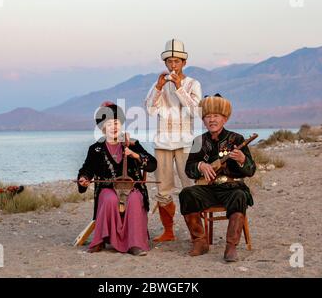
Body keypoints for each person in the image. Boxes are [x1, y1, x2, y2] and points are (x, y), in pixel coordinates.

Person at [179, 94, 256, 262]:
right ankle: (200, 242)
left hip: (230, 188)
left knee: (240, 196)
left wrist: (242, 159)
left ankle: (231, 246)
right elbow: (188, 169)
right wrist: (200, 166)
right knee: (187, 193)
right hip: (207, 189)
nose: (211, 120)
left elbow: (251, 170)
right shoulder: (199, 141)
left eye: (216, 116)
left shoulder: (236, 139)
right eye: (208, 116)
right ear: (203, 120)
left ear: (225, 119)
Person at [76, 102, 157, 256]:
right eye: (109, 124)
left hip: (132, 188)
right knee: (109, 199)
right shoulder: (96, 149)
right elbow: (87, 169)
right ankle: (100, 240)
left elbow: (152, 164)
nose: (114, 127)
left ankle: (135, 244)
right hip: (107, 188)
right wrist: (84, 178)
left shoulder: (131, 143)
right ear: (102, 127)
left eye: (117, 123)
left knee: (133, 199)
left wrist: (134, 155)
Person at [145, 39, 202, 242]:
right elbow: (150, 110)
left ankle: (196, 233)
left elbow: (195, 111)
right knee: (163, 188)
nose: (173, 65)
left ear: (184, 63)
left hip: (186, 143)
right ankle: (168, 232)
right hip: (162, 143)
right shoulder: (157, 84)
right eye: (169, 61)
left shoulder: (193, 84)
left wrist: (179, 87)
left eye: (176, 61)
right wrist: (159, 89)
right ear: (166, 63)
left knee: (189, 187)